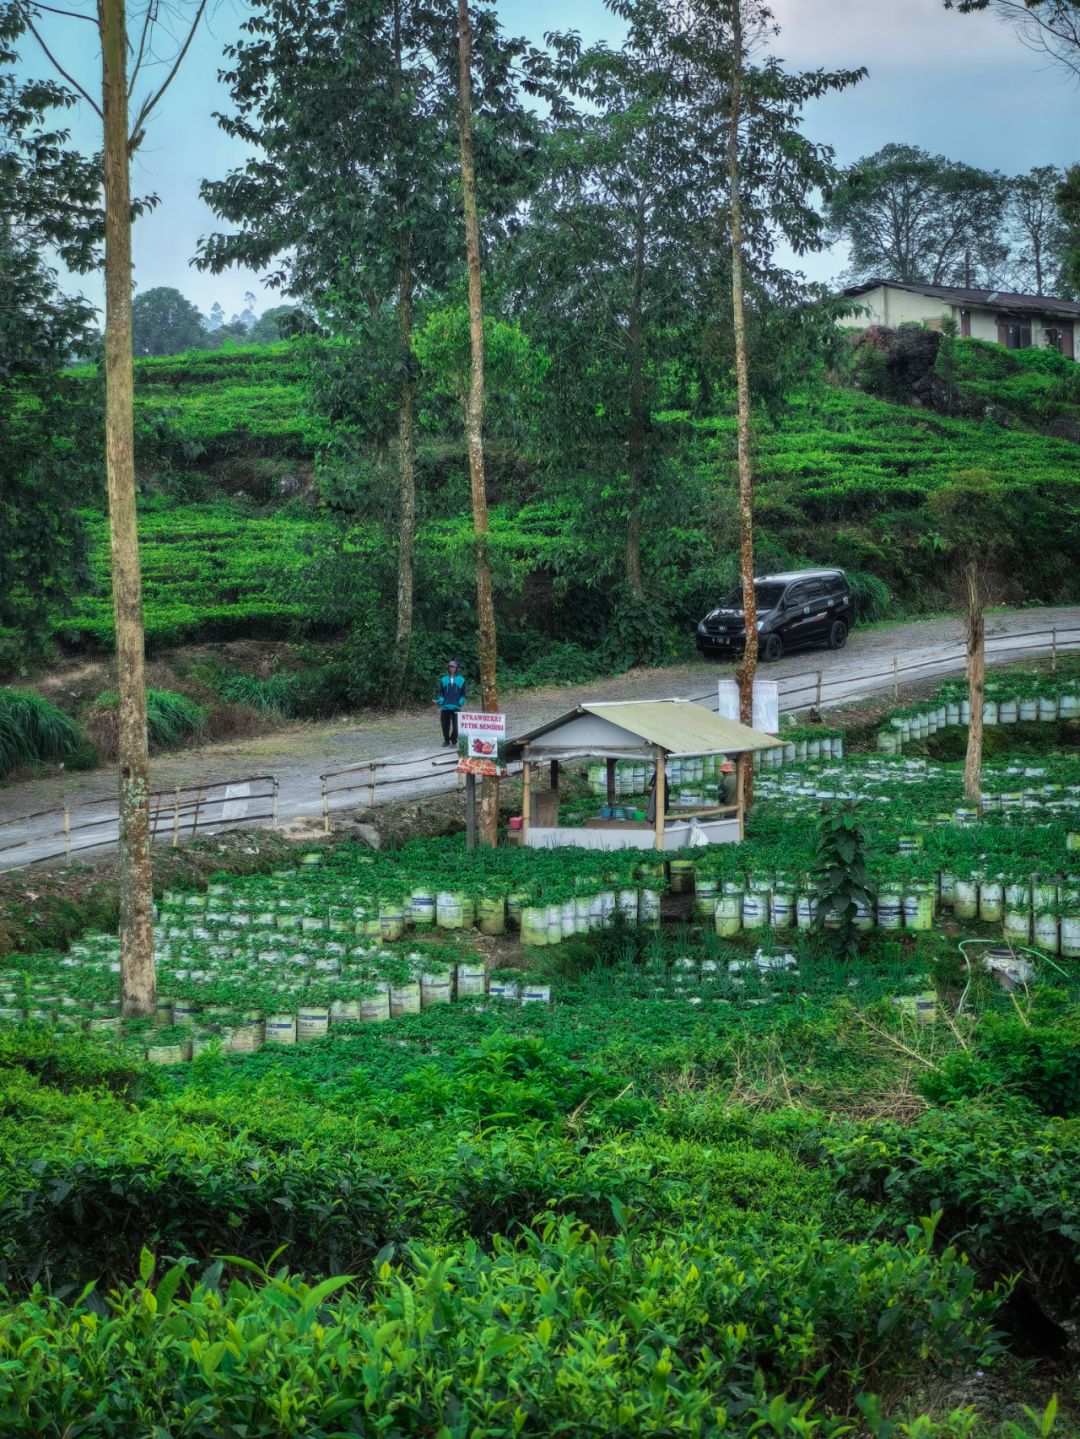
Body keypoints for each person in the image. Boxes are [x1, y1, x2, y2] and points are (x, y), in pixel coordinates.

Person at [436, 659, 466, 746]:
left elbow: (463, 692)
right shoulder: (443, 679)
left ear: (456, 668)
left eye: (453, 667)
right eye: (450, 667)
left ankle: (453, 741)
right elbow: (439, 691)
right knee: (445, 725)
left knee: (456, 726)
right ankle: (446, 741)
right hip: (445, 707)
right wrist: (440, 698)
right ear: (448, 668)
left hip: (456, 707)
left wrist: (462, 699)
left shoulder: (461, 680)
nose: (451, 668)